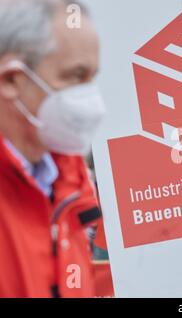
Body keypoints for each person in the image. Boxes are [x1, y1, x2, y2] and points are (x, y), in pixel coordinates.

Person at [0, 0, 106, 297]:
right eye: (75, 76)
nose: (92, 100)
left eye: (91, 79)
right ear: (12, 80)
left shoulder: (70, 183)